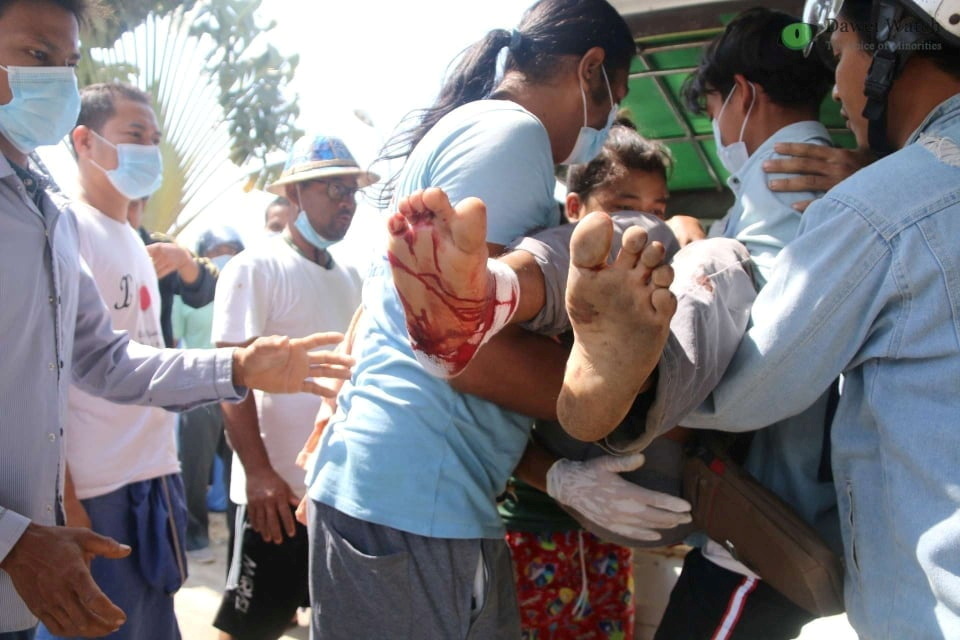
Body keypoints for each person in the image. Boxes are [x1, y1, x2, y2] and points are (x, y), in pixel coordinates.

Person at [556, 0, 960, 637]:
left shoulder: (818, 184)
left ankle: (647, 371)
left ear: (741, 95)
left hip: (775, 519)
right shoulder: (866, 179)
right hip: (834, 522)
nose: (837, 87)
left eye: (843, 53)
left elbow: (762, 369)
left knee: (715, 264)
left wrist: (640, 388)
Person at [0, 3, 353, 637]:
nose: (57, 80)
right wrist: (13, 538)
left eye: (69, 63)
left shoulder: (47, 215)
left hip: (40, 558)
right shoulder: (72, 219)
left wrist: (237, 367)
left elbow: (105, 359)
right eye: (36, 55)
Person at [304, 1, 637, 637]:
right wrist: (614, 397)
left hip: (417, 495)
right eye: (614, 96)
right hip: (413, 501)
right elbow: (463, 352)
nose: (608, 121)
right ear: (590, 69)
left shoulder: (477, 128)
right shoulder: (513, 137)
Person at [498, 122, 678, 640]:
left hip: (610, 533)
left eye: (657, 210)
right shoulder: (539, 298)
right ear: (575, 209)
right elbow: (494, 417)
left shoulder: (659, 292)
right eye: (623, 208)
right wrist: (558, 479)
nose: (642, 226)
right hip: (534, 528)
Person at [212, 135, 370, 640]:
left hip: (330, 492)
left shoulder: (352, 277)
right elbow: (229, 380)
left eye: (352, 191)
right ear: (294, 194)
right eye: (334, 189)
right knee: (250, 628)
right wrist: (259, 474)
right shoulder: (254, 268)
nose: (347, 202)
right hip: (274, 495)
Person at [172, 226, 245, 562]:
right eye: (217, 251)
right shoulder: (187, 295)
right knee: (195, 470)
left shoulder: (247, 291)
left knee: (236, 470)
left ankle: (236, 543)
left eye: (231, 250)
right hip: (198, 391)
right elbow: (172, 342)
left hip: (238, 390)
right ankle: (194, 537)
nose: (224, 256)